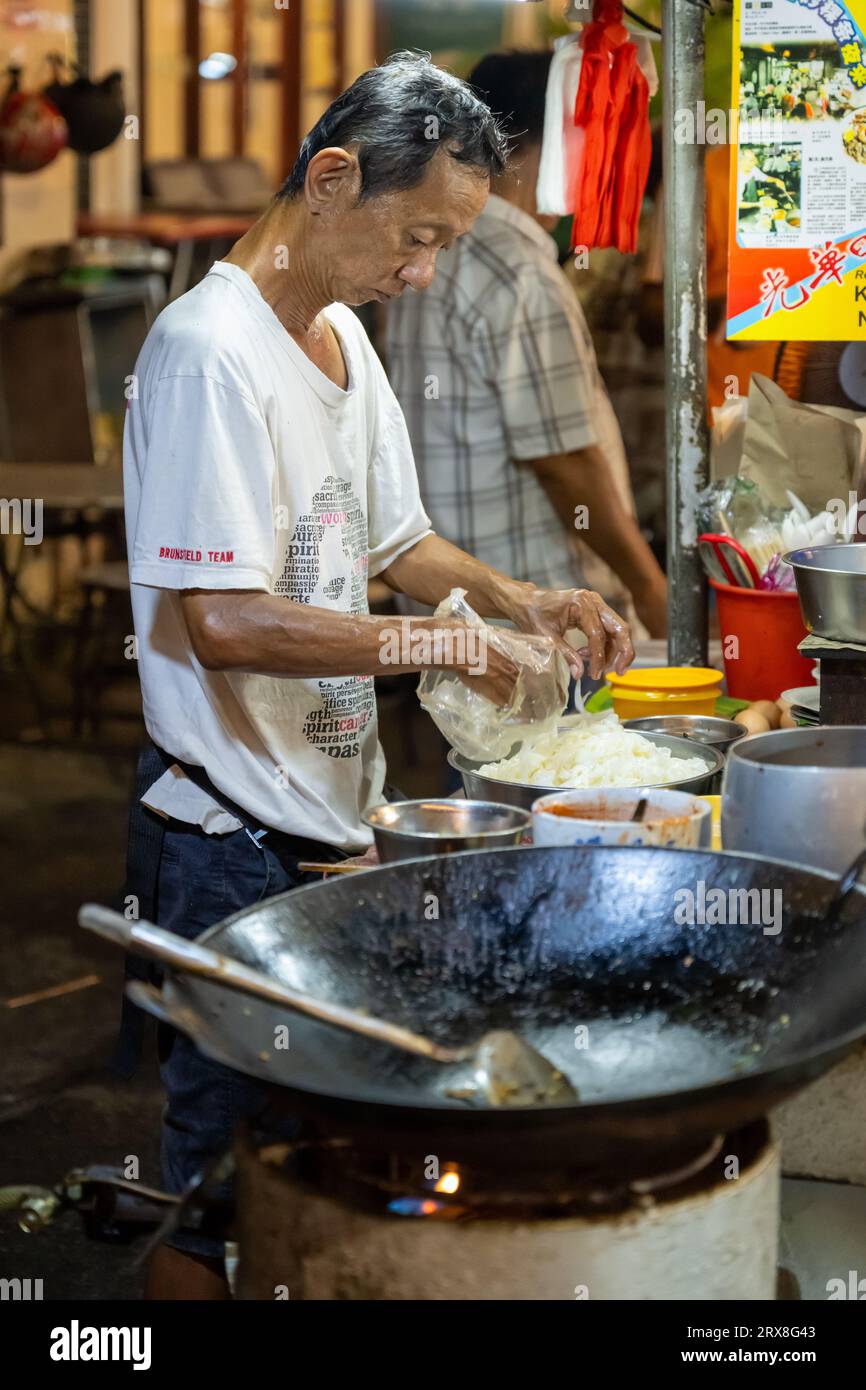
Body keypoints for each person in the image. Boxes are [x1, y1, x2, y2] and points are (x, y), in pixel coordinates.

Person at [122, 50, 634, 1300]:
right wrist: (454, 643)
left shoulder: (340, 334)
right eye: (413, 238)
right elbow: (224, 622)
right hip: (224, 835)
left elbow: (393, 541)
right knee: (218, 1179)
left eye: (443, 246)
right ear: (331, 176)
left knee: (308, 1154)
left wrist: (527, 594)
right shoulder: (209, 349)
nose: (420, 275)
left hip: (325, 813)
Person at [386, 50, 668, 644]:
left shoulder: (429, 246)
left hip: (454, 598)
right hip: (536, 605)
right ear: (559, 144)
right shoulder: (521, 272)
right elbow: (564, 464)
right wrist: (649, 586)